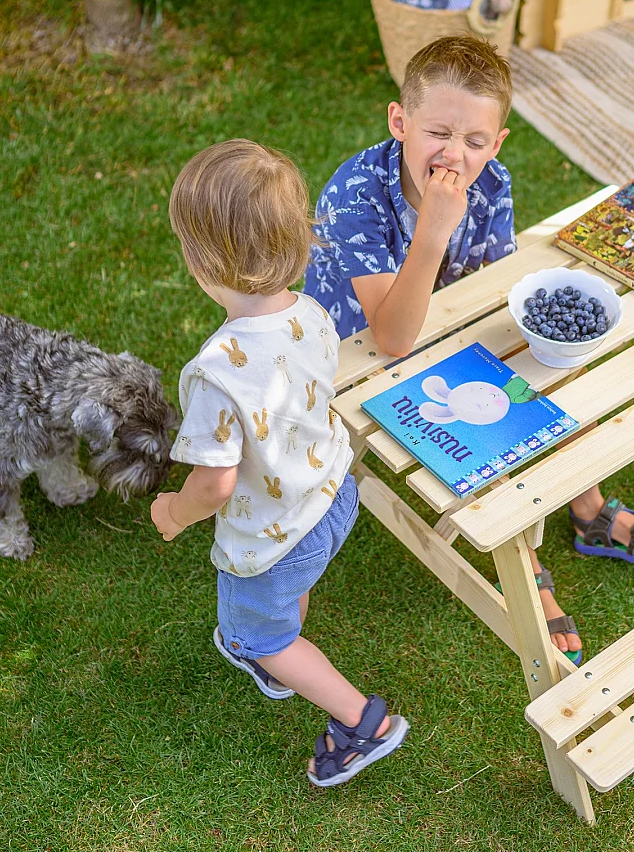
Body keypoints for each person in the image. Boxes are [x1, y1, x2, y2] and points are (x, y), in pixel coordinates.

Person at [305, 35, 634, 666]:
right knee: (482, 406)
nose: (455, 155)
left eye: (475, 142)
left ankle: (585, 503)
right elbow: (392, 340)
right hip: (359, 354)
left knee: (541, 363)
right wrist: (433, 227)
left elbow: (487, 286)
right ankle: (526, 554)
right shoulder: (356, 195)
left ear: (498, 143)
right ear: (399, 121)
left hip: (447, 322)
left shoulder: (493, 182)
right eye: (438, 133)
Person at [152, 139, 409, 787]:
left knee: (259, 631)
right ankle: (280, 636)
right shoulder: (312, 313)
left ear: (200, 258)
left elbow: (214, 481)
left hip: (272, 539)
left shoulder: (216, 369)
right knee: (292, 588)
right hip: (334, 496)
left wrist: (173, 512)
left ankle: (361, 720)